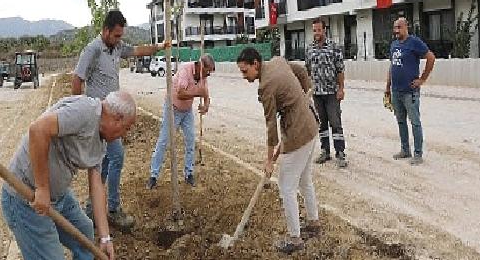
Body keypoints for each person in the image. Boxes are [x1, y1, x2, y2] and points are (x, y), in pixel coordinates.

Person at [0, 90, 137, 260]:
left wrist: (105, 237)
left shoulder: (101, 141)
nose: (125, 135)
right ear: (117, 118)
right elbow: (38, 129)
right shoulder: (85, 112)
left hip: (58, 196)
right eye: (126, 128)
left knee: (84, 231)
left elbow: (97, 186)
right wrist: (42, 188)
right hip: (27, 199)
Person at [72, 10, 168, 230]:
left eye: (120, 36)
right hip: (97, 119)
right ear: (105, 30)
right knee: (111, 159)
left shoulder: (117, 48)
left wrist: (161, 46)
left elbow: (138, 50)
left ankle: (94, 211)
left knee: (105, 162)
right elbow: (77, 79)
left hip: (112, 120)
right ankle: (109, 210)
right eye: (115, 35)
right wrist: (80, 111)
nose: (119, 40)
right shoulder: (93, 49)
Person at [236, 47, 321, 254]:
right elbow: (301, 72)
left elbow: (271, 127)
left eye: (245, 71)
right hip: (311, 124)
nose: (244, 76)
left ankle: (295, 238)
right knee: (304, 180)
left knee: (286, 187)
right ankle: (314, 224)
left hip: (297, 134)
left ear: (255, 64)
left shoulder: (266, 86)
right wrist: (306, 92)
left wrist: (269, 161)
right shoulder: (278, 61)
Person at [146, 54, 215, 189]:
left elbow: (206, 95)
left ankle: (189, 174)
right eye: (208, 71)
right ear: (200, 66)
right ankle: (153, 176)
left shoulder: (203, 77)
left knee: (190, 141)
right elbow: (180, 93)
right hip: (172, 108)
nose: (209, 74)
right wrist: (197, 93)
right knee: (163, 141)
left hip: (187, 112)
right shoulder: (185, 70)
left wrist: (206, 106)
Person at [385, 17, 435, 165]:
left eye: (399, 27)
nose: (396, 30)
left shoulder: (414, 42)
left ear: (406, 27)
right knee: (400, 121)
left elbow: (431, 57)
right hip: (396, 91)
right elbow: (392, 66)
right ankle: (405, 149)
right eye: (395, 27)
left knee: (415, 122)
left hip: (410, 92)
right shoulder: (394, 45)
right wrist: (387, 87)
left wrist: (422, 79)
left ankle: (418, 154)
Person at [305, 18, 348, 168]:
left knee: (335, 123)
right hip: (317, 93)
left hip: (331, 92)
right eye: (314, 30)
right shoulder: (309, 49)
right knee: (321, 124)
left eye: (319, 30)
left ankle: (340, 153)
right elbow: (308, 70)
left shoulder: (334, 47)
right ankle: (325, 151)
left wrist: (341, 88)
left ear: (324, 30)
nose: (316, 33)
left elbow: (340, 69)